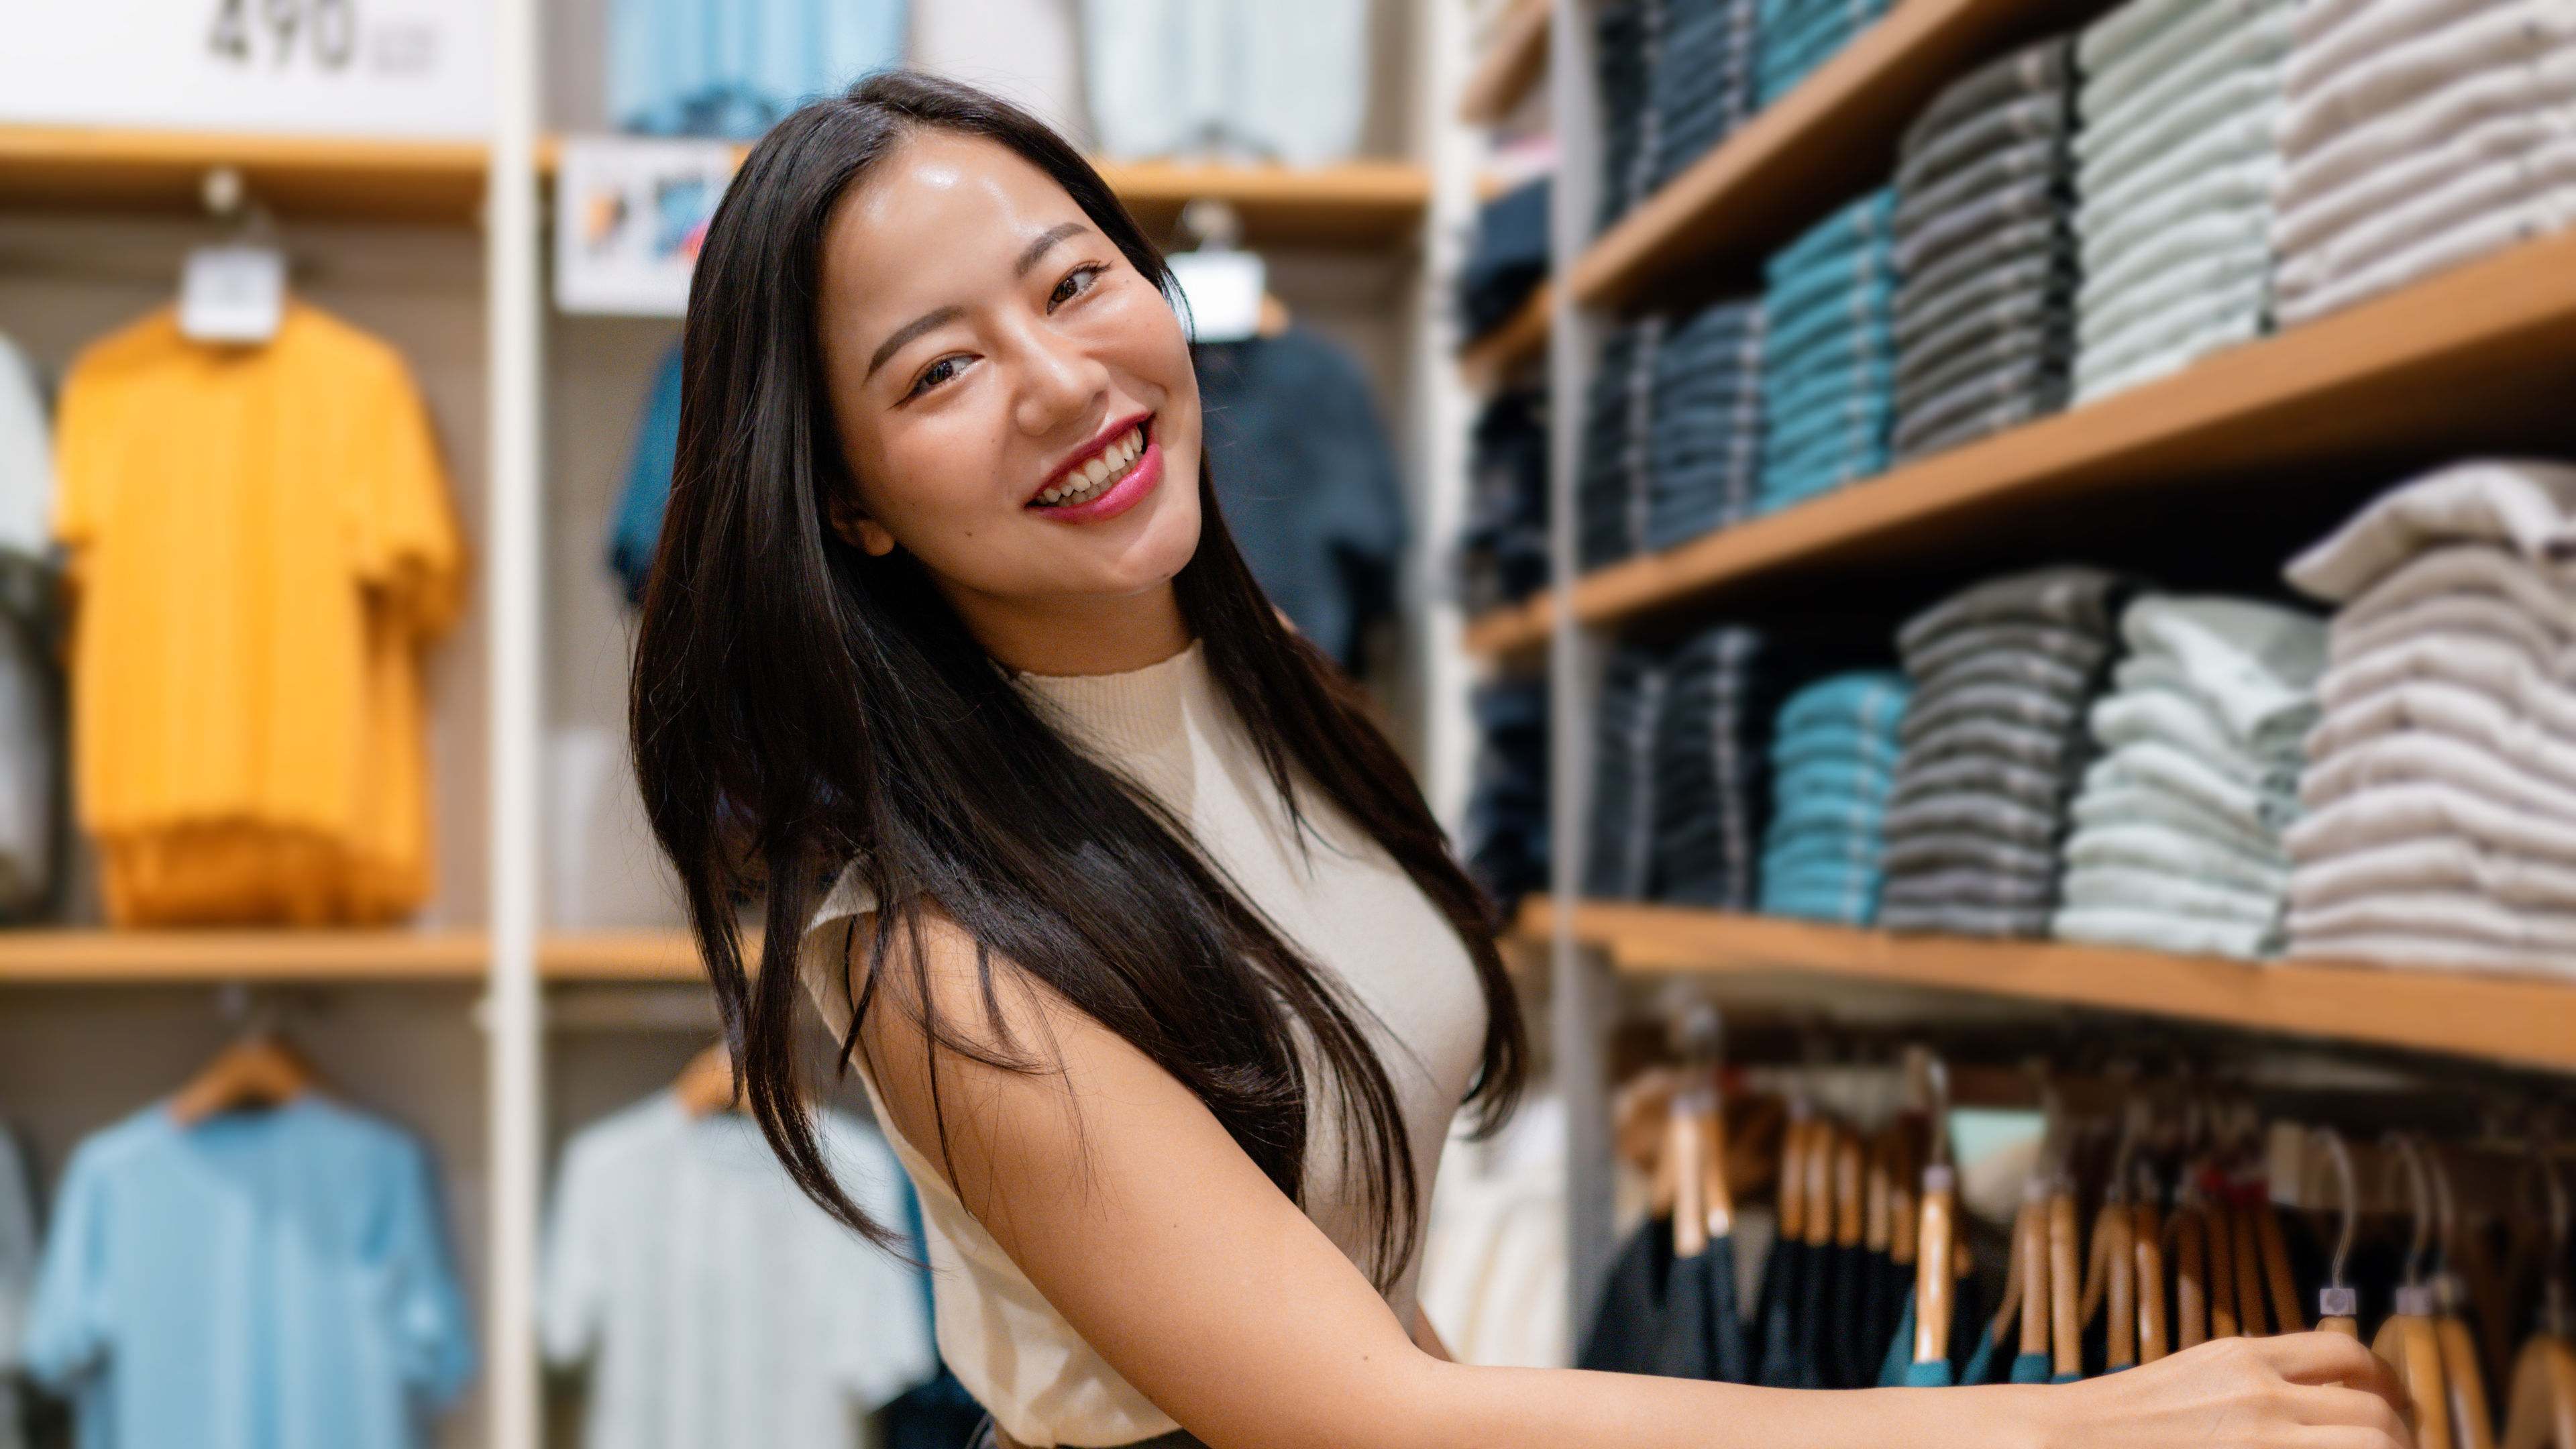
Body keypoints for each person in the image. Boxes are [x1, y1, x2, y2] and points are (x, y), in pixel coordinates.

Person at [629, 71, 2414, 1449]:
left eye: (1076, 282)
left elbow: (1382, 1349)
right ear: (850, 501)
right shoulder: (943, 961)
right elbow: (1359, 1412)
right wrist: (2065, 1417)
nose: (1058, 379)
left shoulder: (1282, 697)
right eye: (938, 372)